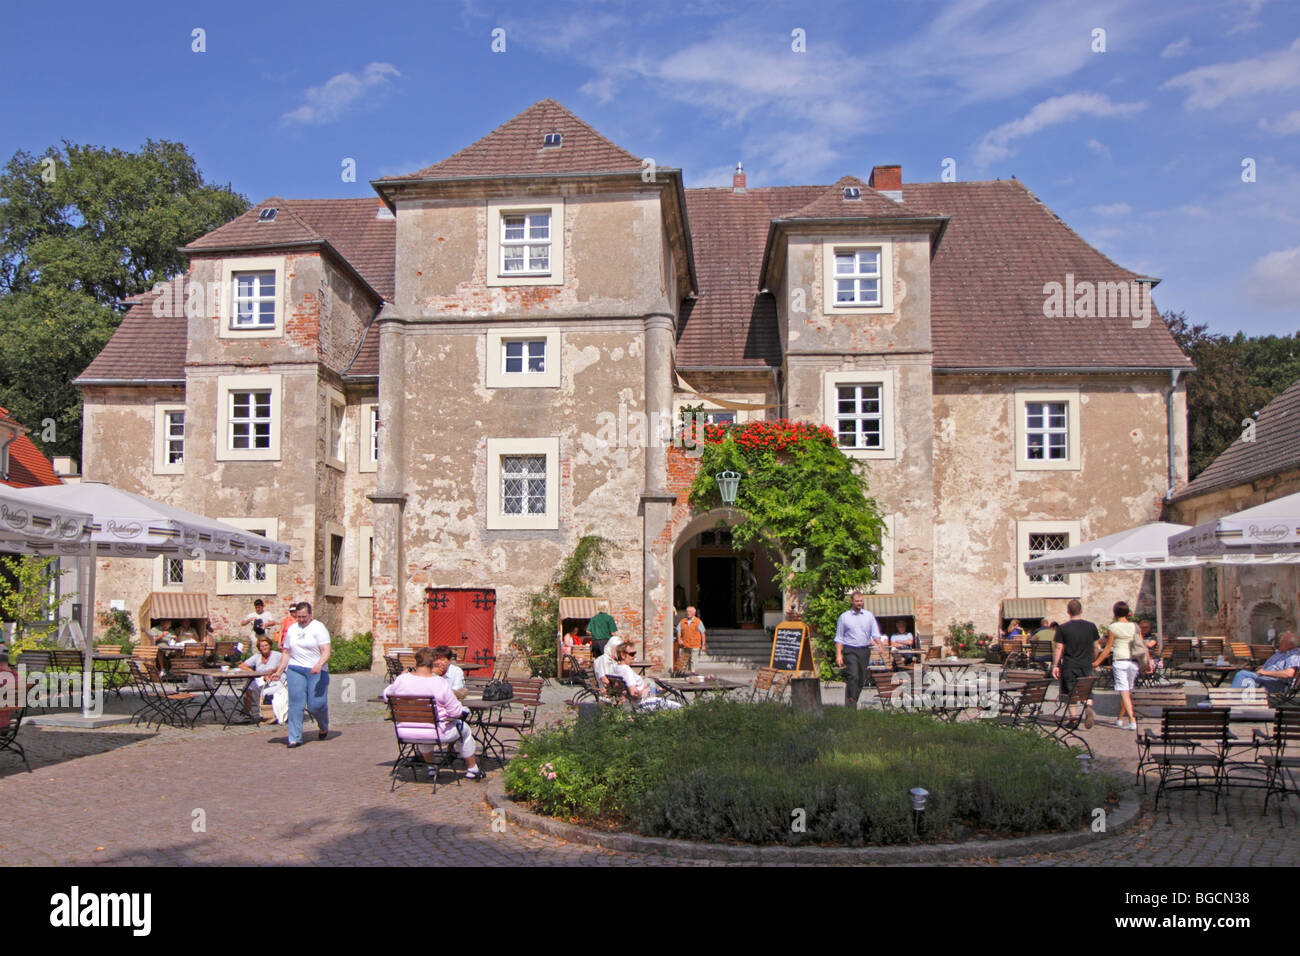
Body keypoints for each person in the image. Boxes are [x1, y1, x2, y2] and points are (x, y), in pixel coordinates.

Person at [382, 646, 484, 780]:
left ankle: (431, 768)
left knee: (425, 727)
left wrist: (402, 675)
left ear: (416, 662)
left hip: (405, 731)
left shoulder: (402, 680)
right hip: (436, 732)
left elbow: (386, 695)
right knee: (464, 730)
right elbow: (456, 711)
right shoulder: (439, 682)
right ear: (432, 663)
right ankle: (472, 769)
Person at [268, 602, 331, 748]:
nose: (301, 620)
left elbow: (326, 650)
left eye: (304, 616)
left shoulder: (318, 628)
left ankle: (323, 725)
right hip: (295, 669)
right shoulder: (292, 629)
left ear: (310, 615)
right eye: (299, 617)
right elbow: (286, 652)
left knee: (316, 705)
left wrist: (319, 664)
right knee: (296, 704)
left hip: (316, 670)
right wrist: (279, 671)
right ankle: (294, 737)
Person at [1093, 601, 1144, 730]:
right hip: (1133, 661)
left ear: (1115, 613)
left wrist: (1097, 662)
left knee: (1124, 691)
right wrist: (1147, 663)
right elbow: (1142, 645)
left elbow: (1107, 648)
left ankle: (1132, 720)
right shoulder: (1135, 626)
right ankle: (1120, 719)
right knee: (1126, 691)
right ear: (1128, 613)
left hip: (1120, 661)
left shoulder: (1114, 627)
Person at [1051, 600, 1100, 728]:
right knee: (1087, 688)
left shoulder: (1063, 628)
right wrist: (1094, 660)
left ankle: (1073, 718)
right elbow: (1096, 646)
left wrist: (1055, 665)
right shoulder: (1091, 626)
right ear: (1081, 610)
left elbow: (1058, 648)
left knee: (1070, 691)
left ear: (1068, 611)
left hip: (1069, 664)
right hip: (1086, 663)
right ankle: (1088, 706)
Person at [835, 592, 882, 708]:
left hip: (864, 650)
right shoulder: (844, 617)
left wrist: (879, 645)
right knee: (853, 676)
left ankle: (852, 701)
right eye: (857, 601)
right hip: (850, 650)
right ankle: (851, 704)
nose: (859, 603)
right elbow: (839, 638)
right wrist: (839, 655)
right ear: (852, 601)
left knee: (861, 679)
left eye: (861, 601)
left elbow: (875, 633)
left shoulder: (868, 616)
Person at [608, 643, 680, 710]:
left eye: (634, 654)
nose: (634, 657)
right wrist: (644, 692)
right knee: (678, 706)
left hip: (631, 703)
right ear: (623, 655)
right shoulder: (627, 670)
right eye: (632, 654)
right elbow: (633, 693)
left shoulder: (616, 668)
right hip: (640, 704)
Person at [1230, 632, 1300, 692]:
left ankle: (1231, 698)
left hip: (1274, 682)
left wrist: (1266, 672)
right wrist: (1264, 668)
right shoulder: (1282, 652)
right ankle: (1236, 700)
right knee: (1245, 678)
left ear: (1291, 644)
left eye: (1283, 641)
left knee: (1242, 674)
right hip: (1265, 679)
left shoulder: (1293, 656)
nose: (1280, 643)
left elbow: (1289, 673)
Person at [238, 635, 283, 717]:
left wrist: (273, 671)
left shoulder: (277, 655)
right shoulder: (257, 656)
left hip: (274, 680)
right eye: (262, 646)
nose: (264, 647)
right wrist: (252, 672)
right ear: (259, 648)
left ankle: (267, 712)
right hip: (260, 680)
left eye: (266, 645)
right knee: (248, 687)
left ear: (270, 646)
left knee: (266, 690)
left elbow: (284, 665)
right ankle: (247, 712)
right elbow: (242, 665)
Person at [676, 606, 707, 675]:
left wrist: (703, 644)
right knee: (683, 658)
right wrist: (679, 639)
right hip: (685, 643)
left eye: (690, 612)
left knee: (693, 659)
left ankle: (693, 672)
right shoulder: (683, 621)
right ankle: (680, 672)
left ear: (694, 613)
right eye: (687, 611)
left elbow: (702, 633)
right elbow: (678, 631)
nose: (688, 613)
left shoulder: (698, 621)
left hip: (695, 644)